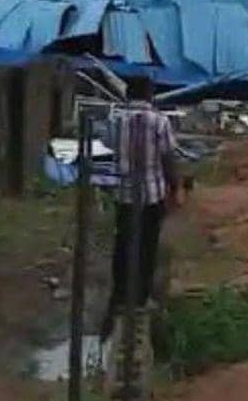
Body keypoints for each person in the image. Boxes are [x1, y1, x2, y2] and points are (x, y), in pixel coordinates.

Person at [102, 75, 181, 340]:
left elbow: (110, 147)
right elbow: (168, 158)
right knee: (147, 245)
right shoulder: (160, 121)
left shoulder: (116, 121)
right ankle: (141, 297)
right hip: (152, 194)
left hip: (124, 194)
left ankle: (120, 294)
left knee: (123, 244)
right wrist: (176, 188)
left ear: (128, 94)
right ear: (150, 94)